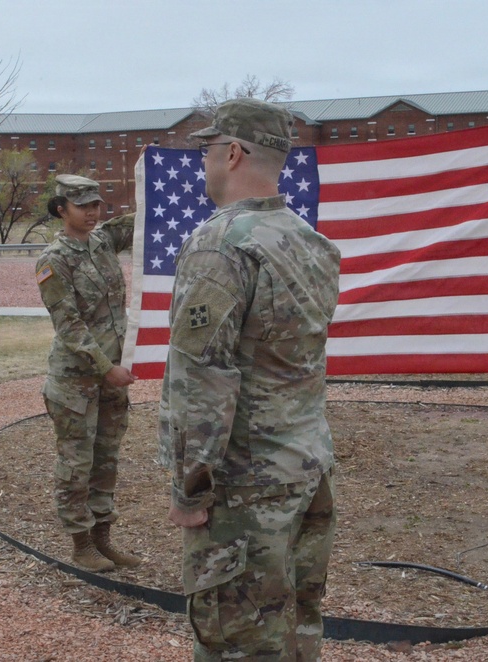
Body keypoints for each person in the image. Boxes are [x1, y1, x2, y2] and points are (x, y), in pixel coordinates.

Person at [159, 98, 341, 660]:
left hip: (245, 488)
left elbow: (201, 378)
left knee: (236, 642)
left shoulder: (222, 244)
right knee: (295, 633)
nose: (205, 164)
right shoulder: (309, 242)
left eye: (209, 151)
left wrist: (189, 486)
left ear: (233, 153)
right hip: (307, 469)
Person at [35, 174, 141, 572]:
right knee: (76, 463)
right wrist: (105, 367)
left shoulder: (102, 242)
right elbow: (68, 323)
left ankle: (102, 540)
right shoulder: (54, 260)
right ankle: (81, 545)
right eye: (83, 206)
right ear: (62, 210)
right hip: (76, 380)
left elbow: (141, 218)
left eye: (97, 205)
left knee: (106, 459)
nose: (93, 212)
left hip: (112, 375)